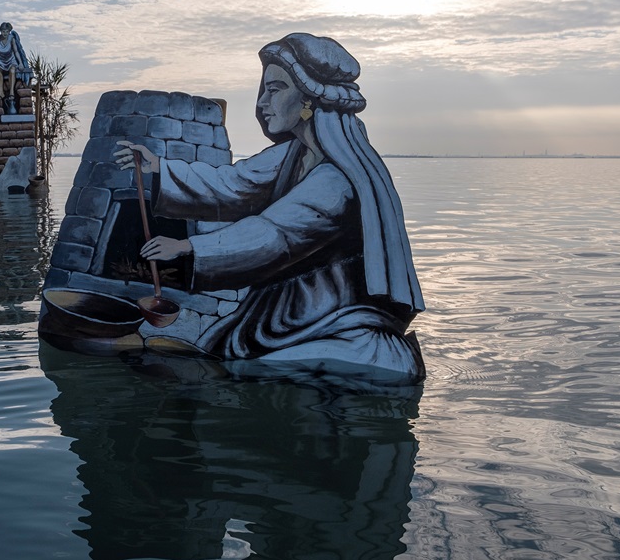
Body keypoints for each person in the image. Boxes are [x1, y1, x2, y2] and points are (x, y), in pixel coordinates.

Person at [115, 33, 426, 381]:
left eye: (275, 89)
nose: (262, 102)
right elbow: (235, 184)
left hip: (331, 313)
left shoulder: (338, 178)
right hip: (287, 310)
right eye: (264, 89)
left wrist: (187, 247)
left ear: (308, 99)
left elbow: (275, 234)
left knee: (227, 369)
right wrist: (159, 167)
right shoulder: (296, 154)